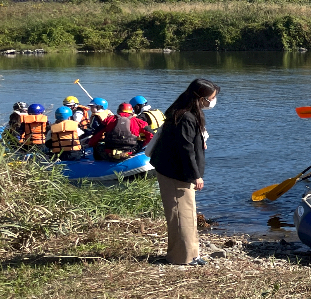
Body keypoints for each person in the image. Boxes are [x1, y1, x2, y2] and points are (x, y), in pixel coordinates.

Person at [149, 78, 219, 266]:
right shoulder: (185, 116)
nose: (212, 102)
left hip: (176, 170)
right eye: (211, 98)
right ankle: (182, 257)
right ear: (201, 98)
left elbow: (189, 143)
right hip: (175, 172)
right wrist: (196, 175)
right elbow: (184, 149)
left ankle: (192, 253)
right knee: (180, 214)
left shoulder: (186, 113)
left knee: (188, 212)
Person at [84, 103, 152, 162]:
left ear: (118, 111)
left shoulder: (109, 119)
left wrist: (91, 144)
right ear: (132, 112)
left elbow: (96, 136)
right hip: (129, 152)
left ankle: (99, 165)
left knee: (98, 146)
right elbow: (151, 135)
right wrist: (140, 145)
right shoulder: (139, 122)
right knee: (140, 142)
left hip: (109, 153)